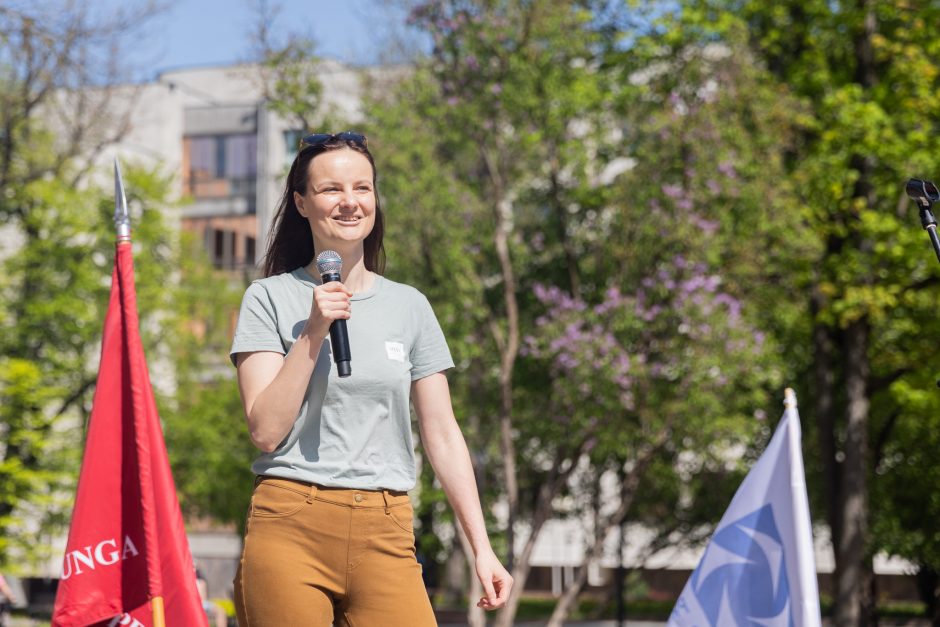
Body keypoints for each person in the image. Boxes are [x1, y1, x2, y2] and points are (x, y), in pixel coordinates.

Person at [230, 131, 512, 626]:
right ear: (301, 202)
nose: (349, 202)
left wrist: (481, 548)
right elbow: (266, 430)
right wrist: (313, 332)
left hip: (386, 526)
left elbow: (443, 433)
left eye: (362, 188)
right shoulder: (268, 298)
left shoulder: (410, 305)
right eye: (331, 189)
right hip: (291, 518)